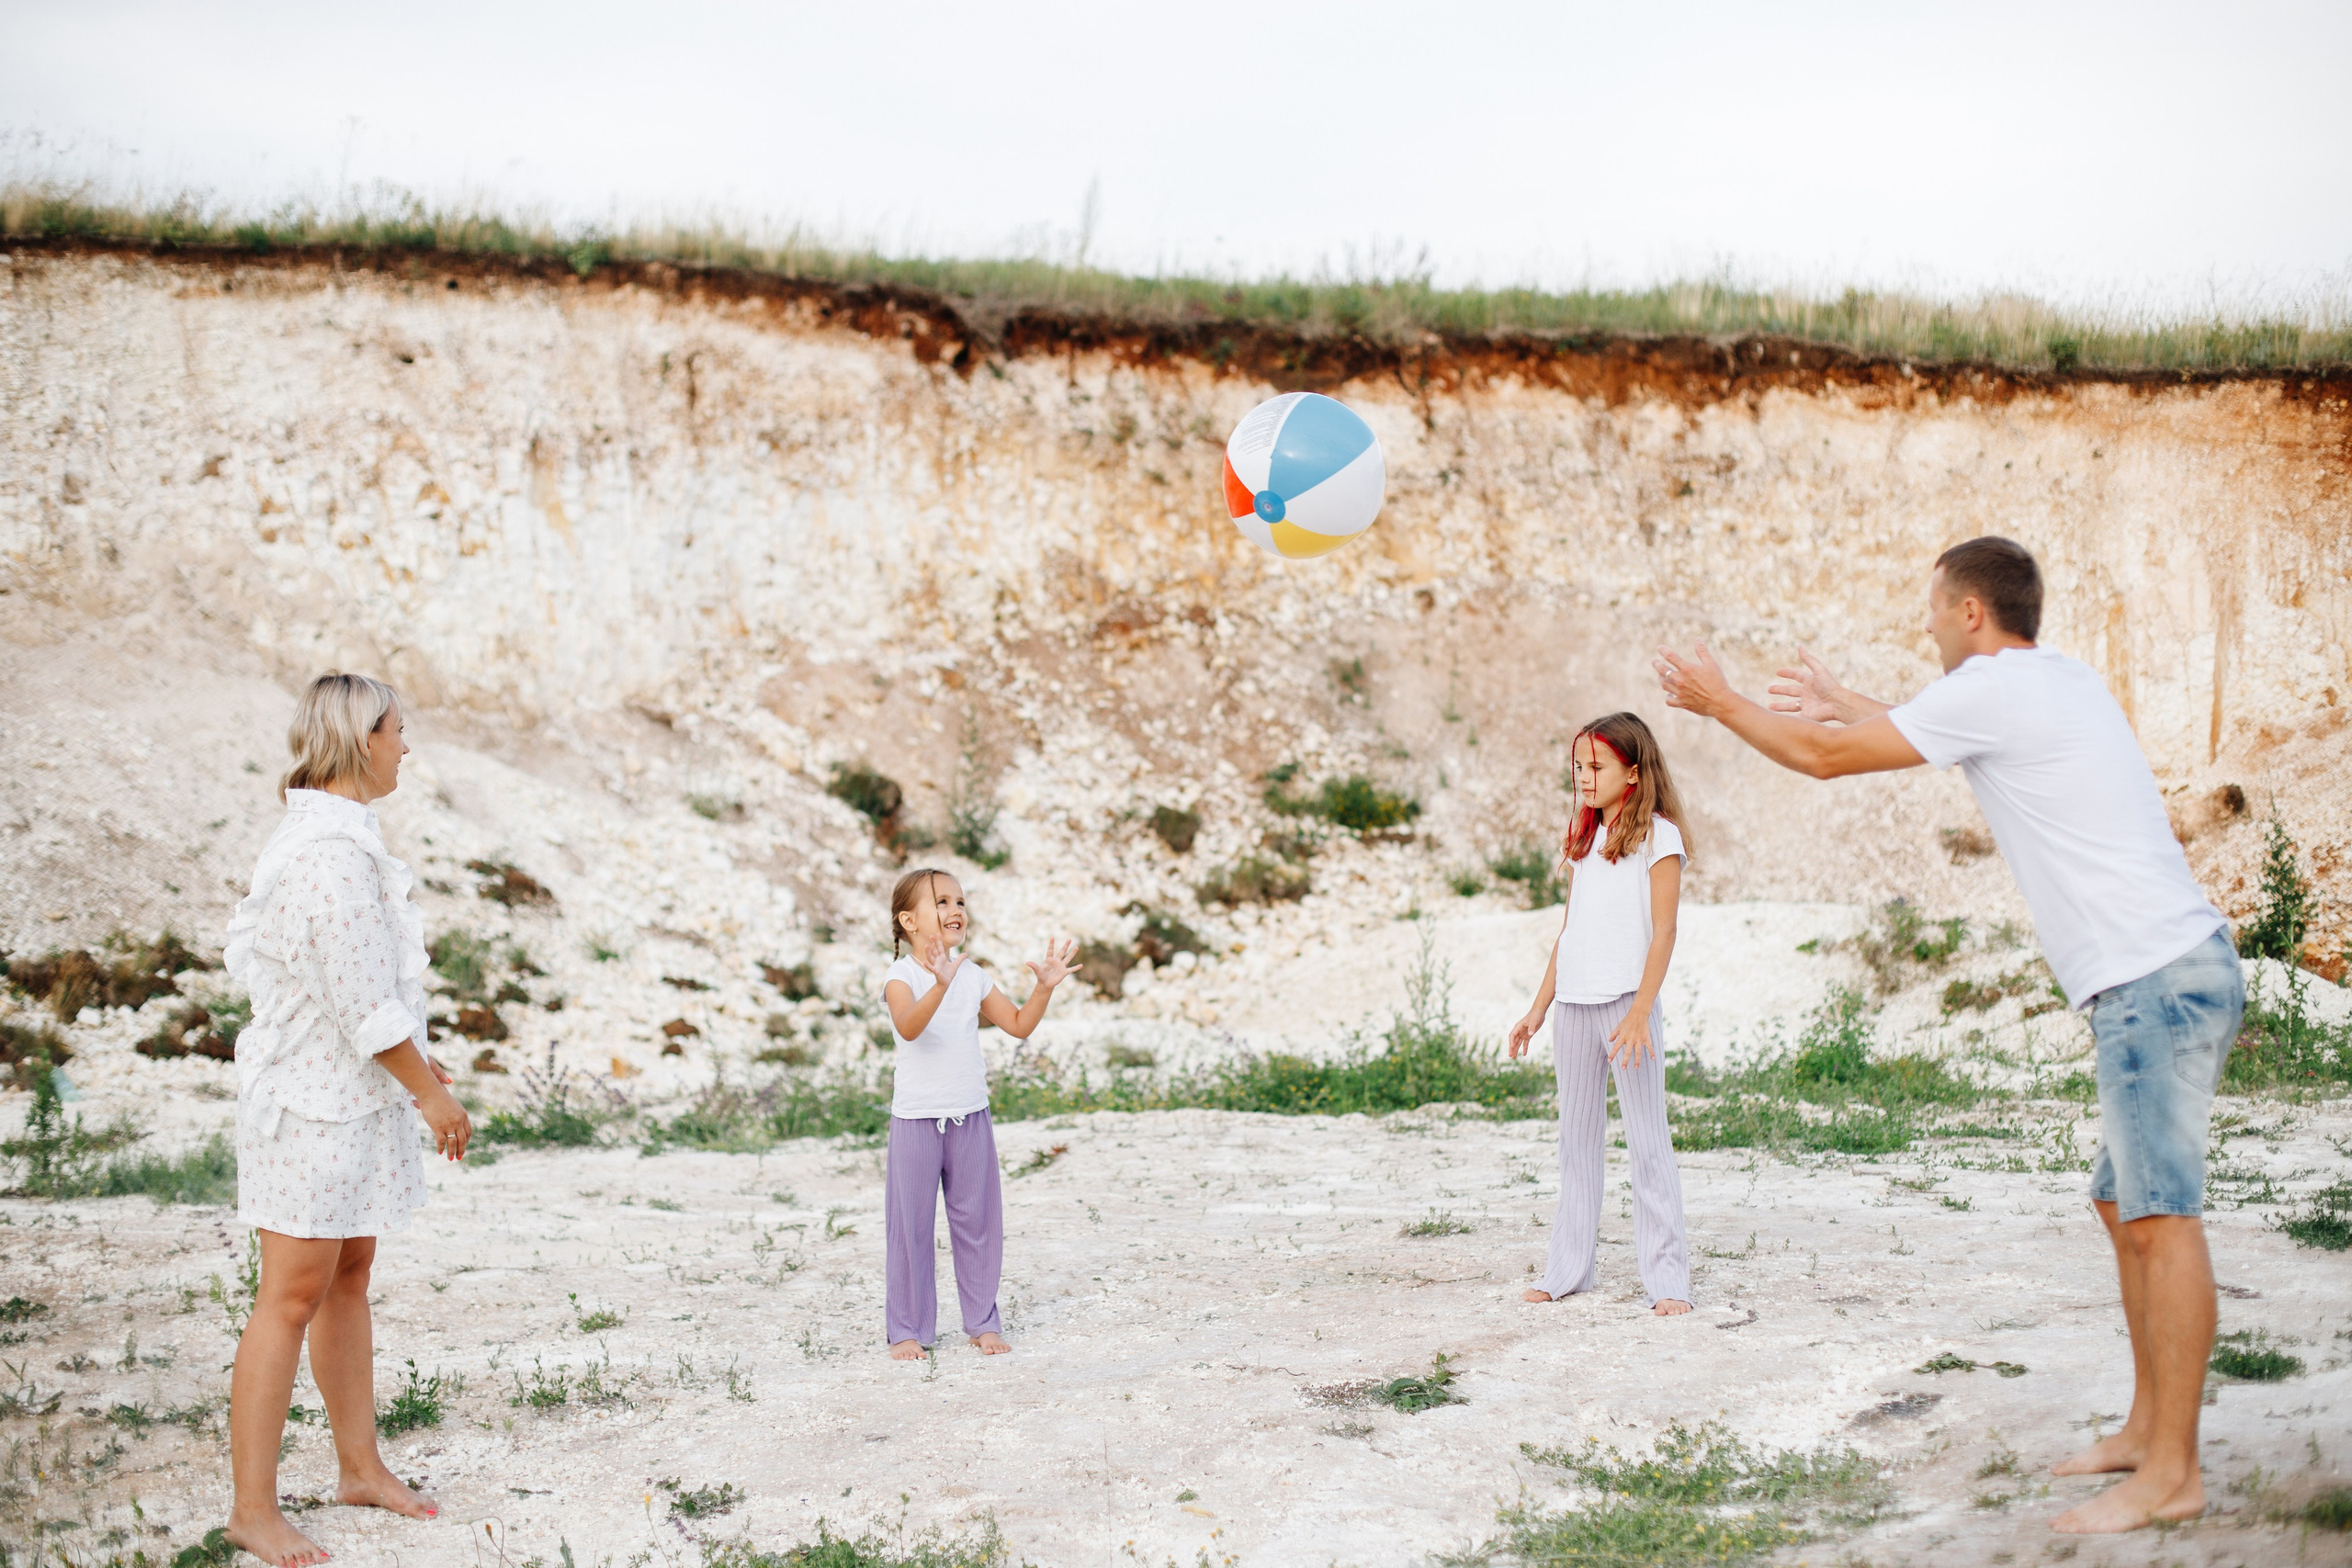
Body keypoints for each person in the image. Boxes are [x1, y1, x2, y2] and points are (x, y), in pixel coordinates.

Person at [1653, 536, 2241, 1535]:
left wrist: (1721, 704)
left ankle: (2173, 1473)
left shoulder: (1992, 692)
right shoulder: (2048, 682)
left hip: (2152, 980)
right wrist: (1851, 702)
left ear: (1971, 612)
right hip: (2168, 971)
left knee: (2158, 1216)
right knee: (2119, 1203)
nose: (1925, 625)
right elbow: (1905, 732)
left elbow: (1828, 762)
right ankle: (2149, 1429)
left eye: (1933, 609)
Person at [220, 672, 474, 1567]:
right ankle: (253, 1508)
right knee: (288, 1296)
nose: (406, 747)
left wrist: (419, 1064)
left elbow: (369, 989)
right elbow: (360, 1002)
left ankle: (358, 1467)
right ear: (360, 739)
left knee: (348, 1275)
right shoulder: (326, 854)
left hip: (350, 1099)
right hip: (309, 1108)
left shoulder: (346, 838)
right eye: (398, 731)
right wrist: (429, 1092)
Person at [1507, 712, 1695, 1316]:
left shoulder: (1659, 838)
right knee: (1576, 1143)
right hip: (1574, 1009)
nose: (1584, 778)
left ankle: (1667, 1280)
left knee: (1647, 1141)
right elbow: (1571, 931)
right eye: (1577, 767)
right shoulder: (1584, 838)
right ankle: (1567, 1270)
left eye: (1596, 767)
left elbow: (1664, 931)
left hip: (1626, 1008)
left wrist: (1641, 1010)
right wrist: (1538, 1007)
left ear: (1633, 773)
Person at [880, 868, 1076, 1360]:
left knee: (978, 1223)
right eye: (941, 901)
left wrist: (1045, 988)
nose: (956, 910)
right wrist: (940, 985)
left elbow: (1016, 1024)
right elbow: (908, 1027)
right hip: (916, 1122)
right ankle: (907, 1330)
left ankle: (983, 1322)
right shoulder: (899, 977)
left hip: (971, 1118)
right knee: (911, 1227)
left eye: (961, 901)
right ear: (909, 920)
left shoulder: (973, 974)